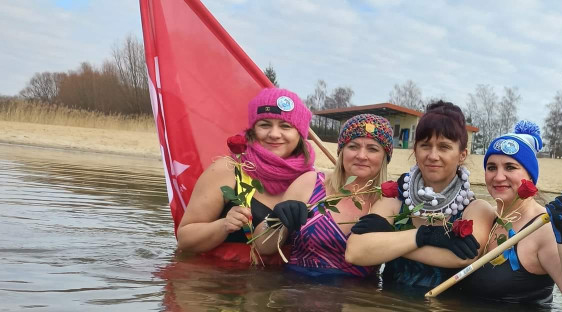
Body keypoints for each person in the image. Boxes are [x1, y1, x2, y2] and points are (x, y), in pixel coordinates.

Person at [345, 101, 492, 288]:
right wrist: (424, 236)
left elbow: (462, 257)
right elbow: (355, 251)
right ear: (415, 150)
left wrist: (388, 241)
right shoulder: (395, 199)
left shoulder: (476, 209)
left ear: (462, 154)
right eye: (425, 145)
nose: (432, 155)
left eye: (444, 147)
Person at [456, 121, 562, 306]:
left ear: (530, 176)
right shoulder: (487, 219)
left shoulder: (544, 228)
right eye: (491, 167)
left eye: (510, 167)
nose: (498, 176)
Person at [176, 87, 315, 262]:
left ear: (300, 134)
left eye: (286, 126)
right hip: (218, 283)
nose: (274, 134)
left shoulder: (312, 180)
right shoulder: (227, 169)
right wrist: (224, 226)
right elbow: (184, 239)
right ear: (252, 130)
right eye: (264, 125)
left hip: (285, 285)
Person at [252, 113, 393, 278]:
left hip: (355, 299)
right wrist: (275, 220)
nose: (361, 156)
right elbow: (262, 247)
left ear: (385, 156)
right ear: (342, 151)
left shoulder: (389, 201)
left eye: (372, 149)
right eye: (353, 146)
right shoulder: (310, 183)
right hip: (294, 293)